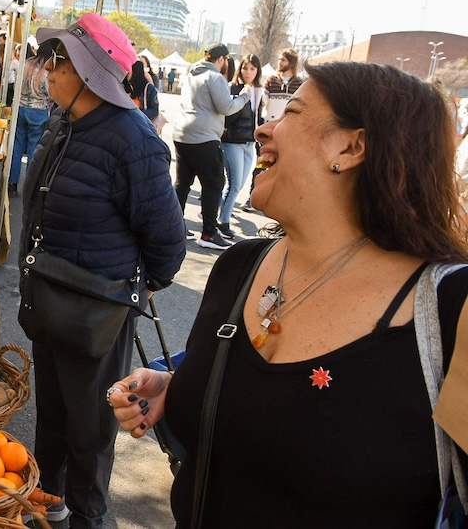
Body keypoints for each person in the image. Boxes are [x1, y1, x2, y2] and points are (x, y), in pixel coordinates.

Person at [111, 62, 468, 527]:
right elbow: (276, 415)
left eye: (292, 112)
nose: (263, 128)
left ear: (351, 145)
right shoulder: (240, 266)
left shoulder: (451, 309)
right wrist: (186, 389)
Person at [20, 13, 186, 528]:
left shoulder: (133, 140)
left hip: (96, 316)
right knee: (52, 421)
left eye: (61, 61)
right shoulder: (61, 121)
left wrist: (131, 289)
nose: (48, 69)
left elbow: (167, 244)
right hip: (49, 305)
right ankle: (47, 507)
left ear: (93, 71)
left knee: (90, 432)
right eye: (50, 59)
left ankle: (86, 518)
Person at [172, 43, 250, 249]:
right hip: (204, 137)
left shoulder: (192, 75)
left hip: (182, 134)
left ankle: (175, 226)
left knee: (182, 183)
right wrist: (244, 97)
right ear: (221, 59)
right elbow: (226, 108)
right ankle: (208, 234)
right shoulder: (215, 77)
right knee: (214, 184)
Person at [243, 48, 302, 213]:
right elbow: (263, 104)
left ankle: (279, 200)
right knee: (262, 163)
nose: (279, 63)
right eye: (279, 59)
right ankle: (252, 197)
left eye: (283, 60)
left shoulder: (299, 83)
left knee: (285, 166)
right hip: (270, 130)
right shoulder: (270, 81)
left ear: (291, 62)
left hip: (290, 132)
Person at [217, 55, 264, 239]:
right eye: (245, 68)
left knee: (239, 185)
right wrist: (242, 98)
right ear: (240, 69)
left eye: (252, 69)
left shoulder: (259, 90)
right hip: (232, 141)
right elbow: (228, 117)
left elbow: (257, 119)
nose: (248, 72)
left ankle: (215, 206)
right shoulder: (233, 88)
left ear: (257, 71)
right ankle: (223, 221)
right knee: (235, 185)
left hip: (249, 143)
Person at [7, 46, 48, 194]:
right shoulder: (48, 68)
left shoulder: (26, 63)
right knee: (34, 150)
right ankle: (30, 187)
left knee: (16, 147)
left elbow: (15, 83)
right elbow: (49, 92)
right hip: (38, 111)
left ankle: (12, 182)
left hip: (20, 108)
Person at [127, 56, 159, 123]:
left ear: (135, 71)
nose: (127, 72)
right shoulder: (126, 87)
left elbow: (154, 110)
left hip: (141, 123)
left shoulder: (148, 88)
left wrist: (137, 114)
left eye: (130, 70)